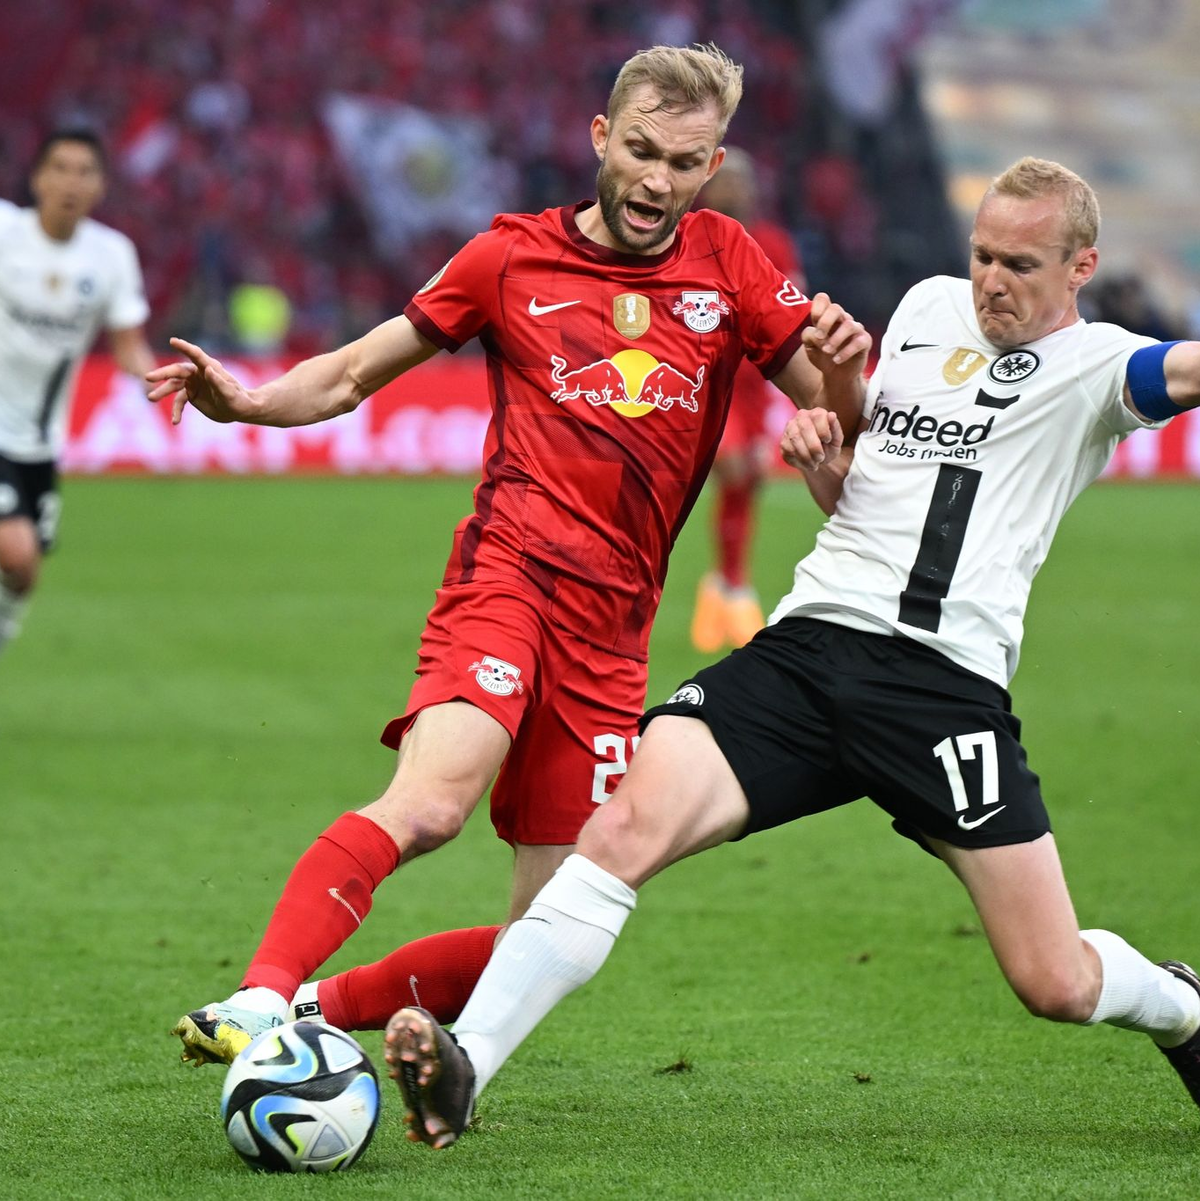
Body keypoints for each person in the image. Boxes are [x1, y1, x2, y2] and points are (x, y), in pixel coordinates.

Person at [384, 156, 1200, 1150]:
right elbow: (864, 473)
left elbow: (1186, 370)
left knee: (1055, 980)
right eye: (983, 254)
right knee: (622, 826)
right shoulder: (929, 309)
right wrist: (831, 428)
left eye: (1022, 264)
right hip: (805, 651)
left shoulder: (1102, 369)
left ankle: (1183, 1008)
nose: (994, 280)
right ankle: (467, 1065)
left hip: (941, 693)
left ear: (1082, 266)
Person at [153, 43, 870, 1065]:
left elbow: (839, 416)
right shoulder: (509, 258)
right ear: (599, 139)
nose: (656, 181)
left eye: (683, 163)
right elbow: (357, 369)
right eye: (641, 151)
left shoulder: (730, 263)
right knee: (434, 800)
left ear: (712, 170)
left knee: (548, 940)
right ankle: (260, 996)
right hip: (509, 580)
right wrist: (252, 403)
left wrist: (841, 382)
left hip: (614, 633)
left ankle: (311, 1010)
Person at [0, 129, 155, 657]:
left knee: (24, 574)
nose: (71, 181)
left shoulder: (111, 255)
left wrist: (155, 378)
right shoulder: (4, 231)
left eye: (84, 171)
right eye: (60, 168)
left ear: (101, 187)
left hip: (40, 440)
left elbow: (129, 346)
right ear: (38, 177)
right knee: (15, 550)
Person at [689, 145, 808, 654]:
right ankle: (733, 586)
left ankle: (725, 583)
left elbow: (791, 302)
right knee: (733, 467)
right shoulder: (688, 237)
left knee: (751, 478)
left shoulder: (773, 242)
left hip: (756, 381)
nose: (735, 191)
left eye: (743, 183)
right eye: (727, 182)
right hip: (707, 377)